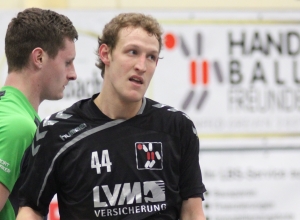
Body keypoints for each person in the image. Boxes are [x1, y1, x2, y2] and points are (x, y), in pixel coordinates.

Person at [17, 12, 206, 220]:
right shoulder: (56, 131)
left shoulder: (177, 127)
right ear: (106, 54)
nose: (142, 66)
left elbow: (192, 212)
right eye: (132, 52)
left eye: (151, 57)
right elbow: (31, 208)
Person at [0, 8, 78, 220]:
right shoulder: (18, 126)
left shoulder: (10, 112)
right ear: (39, 57)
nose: (73, 74)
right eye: (67, 62)